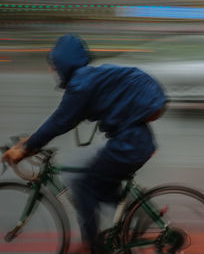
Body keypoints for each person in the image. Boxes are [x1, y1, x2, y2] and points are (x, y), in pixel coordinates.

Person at [1, 34, 168, 254]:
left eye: (53, 65)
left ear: (63, 63)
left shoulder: (81, 84)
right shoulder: (87, 78)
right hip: (133, 140)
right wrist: (31, 142)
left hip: (130, 144)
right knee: (100, 181)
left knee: (85, 184)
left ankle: (93, 245)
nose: (52, 70)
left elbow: (60, 120)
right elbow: (65, 119)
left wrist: (25, 149)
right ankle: (137, 212)